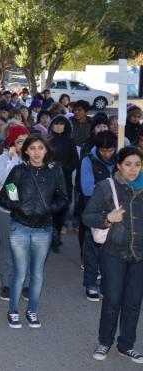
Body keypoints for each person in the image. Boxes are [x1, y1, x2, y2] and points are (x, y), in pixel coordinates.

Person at [0, 135, 68, 328]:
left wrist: (49, 209)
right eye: (33, 148)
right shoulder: (19, 171)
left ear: (46, 150)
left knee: (37, 273)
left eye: (40, 148)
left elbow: (64, 199)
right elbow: (5, 195)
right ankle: (13, 310)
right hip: (19, 226)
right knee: (19, 271)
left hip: (43, 228)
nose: (37, 152)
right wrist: (15, 204)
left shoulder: (55, 172)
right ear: (26, 151)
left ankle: (32, 310)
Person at [83, 146, 143, 363]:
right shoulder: (106, 188)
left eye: (137, 164)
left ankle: (126, 345)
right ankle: (105, 341)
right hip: (113, 253)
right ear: (119, 166)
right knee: (112, 300)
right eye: (128, 164)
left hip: (140, 256)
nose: (133, 169)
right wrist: (107, 218)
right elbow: (87, 216)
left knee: (134, 302)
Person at [0, 124, 30, 301]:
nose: (24, 145)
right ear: (12, 144)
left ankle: (26, 283)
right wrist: (13, 159)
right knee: (8, 247)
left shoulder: (35, 158)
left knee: (27, 248)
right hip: (7, 211)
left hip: (29, 212)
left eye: (26, 140)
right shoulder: (3, 159)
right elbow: (7, 182)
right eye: (19, 141)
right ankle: (6, 282)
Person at [79, 131, 117, 301]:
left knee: (112, 252)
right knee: (93, 250)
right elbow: (87, 188)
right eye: (103, 150)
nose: (107, 154)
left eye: (110, 150)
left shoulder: (121, 159)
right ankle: (91, 284)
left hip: (117, 213)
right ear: (97, 148)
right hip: (95, 212)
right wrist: (111, 190)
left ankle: (107, 285)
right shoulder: (88, 161)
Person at [47, 115, 79, 253]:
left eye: (62, 124)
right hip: (49, 179)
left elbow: (75, 160)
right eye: (56, 124)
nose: (59, 126)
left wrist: (65, 168)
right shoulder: (47, 141)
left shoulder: (70, 141)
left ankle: (57, 233)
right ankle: (50, 234)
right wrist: (52, 167)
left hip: (65, 179)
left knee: (62, 207)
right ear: (52, 126)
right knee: (49, 207)